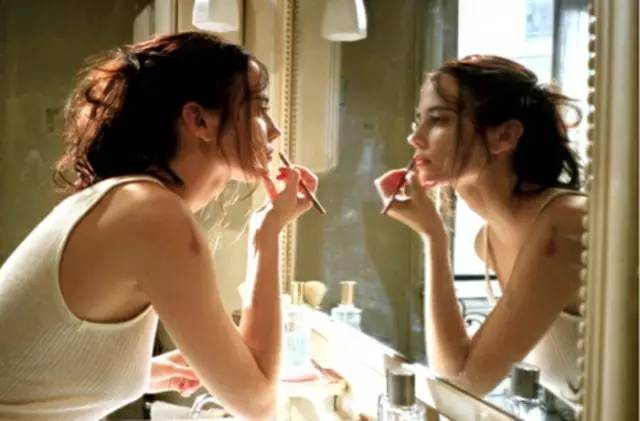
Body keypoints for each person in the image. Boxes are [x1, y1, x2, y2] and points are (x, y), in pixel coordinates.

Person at [0, 32, 318, 420]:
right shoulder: (153, 215)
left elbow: (32, 360)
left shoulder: (128, 200)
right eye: (259, 108)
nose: (274, 130)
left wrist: (142, 374)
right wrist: (266, 235)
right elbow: (259, 404)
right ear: (198, 119)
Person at [375, 55, 586, 402]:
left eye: (438, 119)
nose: (415, 137)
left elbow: (465, 382)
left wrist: (434, 236)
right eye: (418, 120)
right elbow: (453, 373)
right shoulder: (486, 242)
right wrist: (433, 236)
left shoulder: (565, 224)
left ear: (504, 136)